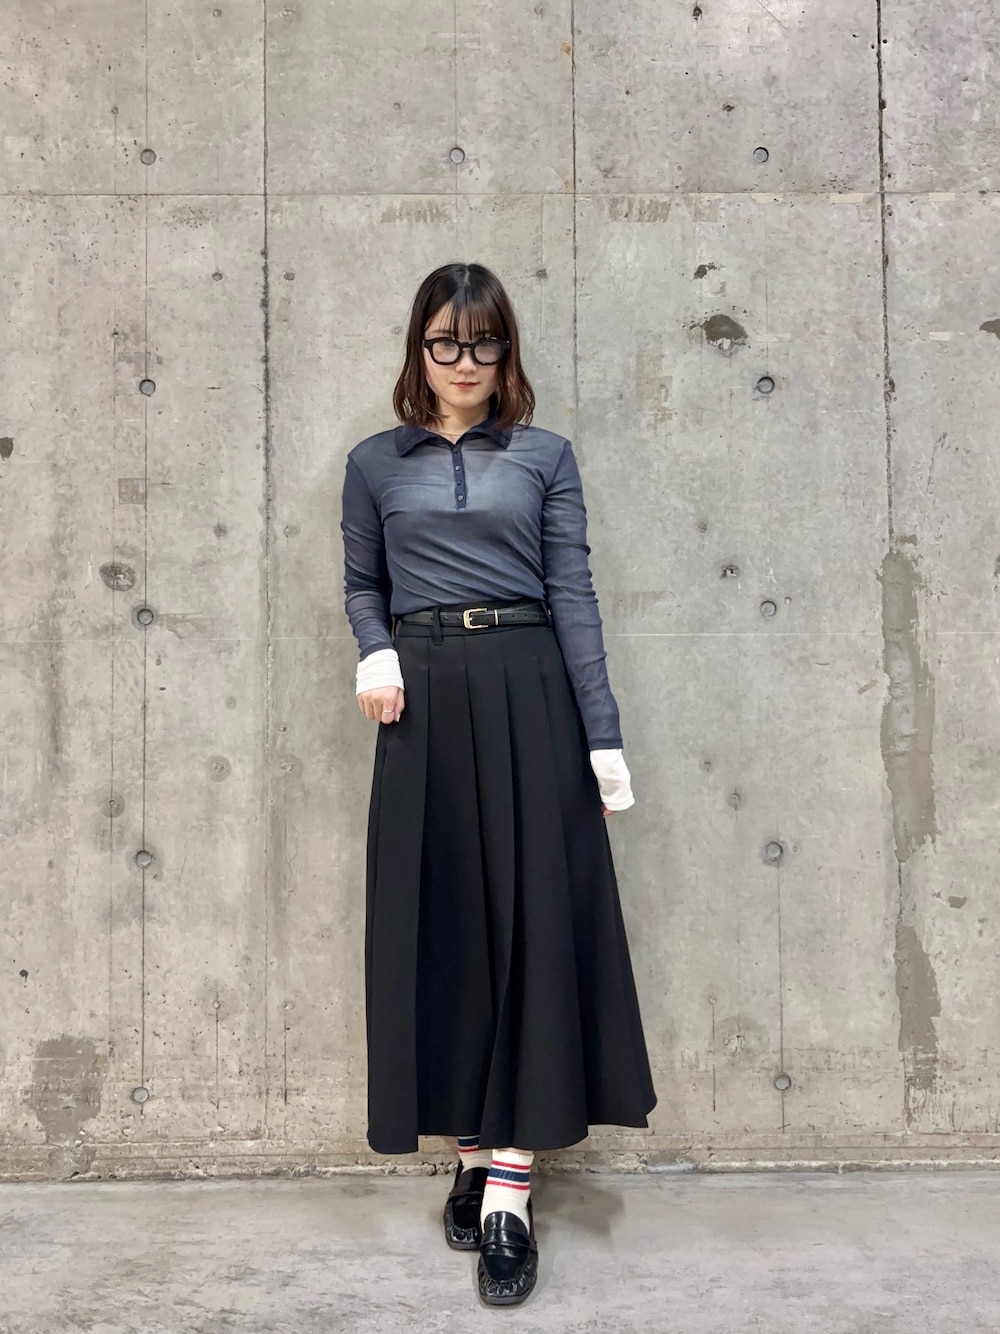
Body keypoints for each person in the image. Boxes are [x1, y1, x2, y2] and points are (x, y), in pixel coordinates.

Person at [340, 261, 657, 1306]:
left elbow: (573, 592)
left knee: (533, 928)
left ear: (505, 350)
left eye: (482, 343)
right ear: (418, 348)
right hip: (422, 705)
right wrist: (375, 651)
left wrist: (601, 733)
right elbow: (363, 582)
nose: (464, 362)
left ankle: (510, 1192)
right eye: (445, 342)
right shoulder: (374, 463)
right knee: (446, 929)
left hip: (529, 693)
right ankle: (474, 1152)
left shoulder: (544, 456)